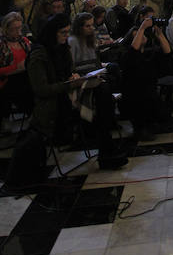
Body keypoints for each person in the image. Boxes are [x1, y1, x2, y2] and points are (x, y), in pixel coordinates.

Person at [27, 13, 126, 169]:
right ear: (52, 32)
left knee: (102, 88)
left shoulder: (62, 48)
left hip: (69, 92)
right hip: (53, 102)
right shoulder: (39, 55)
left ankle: (107, 149)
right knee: (102, 94)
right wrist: (70, 84)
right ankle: (107, 149)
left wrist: (74, 76)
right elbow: (42, 89)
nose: (66, 36)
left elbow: (71, 69)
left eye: (67, 32)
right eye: (63, 33)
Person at [119, 6, 172, 140]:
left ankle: (150, 124)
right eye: (137, 36)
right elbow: (133, 50)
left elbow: (167, 51)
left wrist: (160, 35)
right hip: (134, 95)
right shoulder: (129, 56)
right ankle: (141, 128)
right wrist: (141, 28)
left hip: (149, 90)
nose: (141, 36)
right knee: (145, 99)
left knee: (162, 113)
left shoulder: (148, 52)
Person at [0, 12, 33, 122]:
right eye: (14, 29)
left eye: (19, 28)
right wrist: (15, 68)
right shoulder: (2, 45)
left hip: (24, 77)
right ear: (6, 29)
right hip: (6, 81)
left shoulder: (24, 42)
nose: (18, 32)